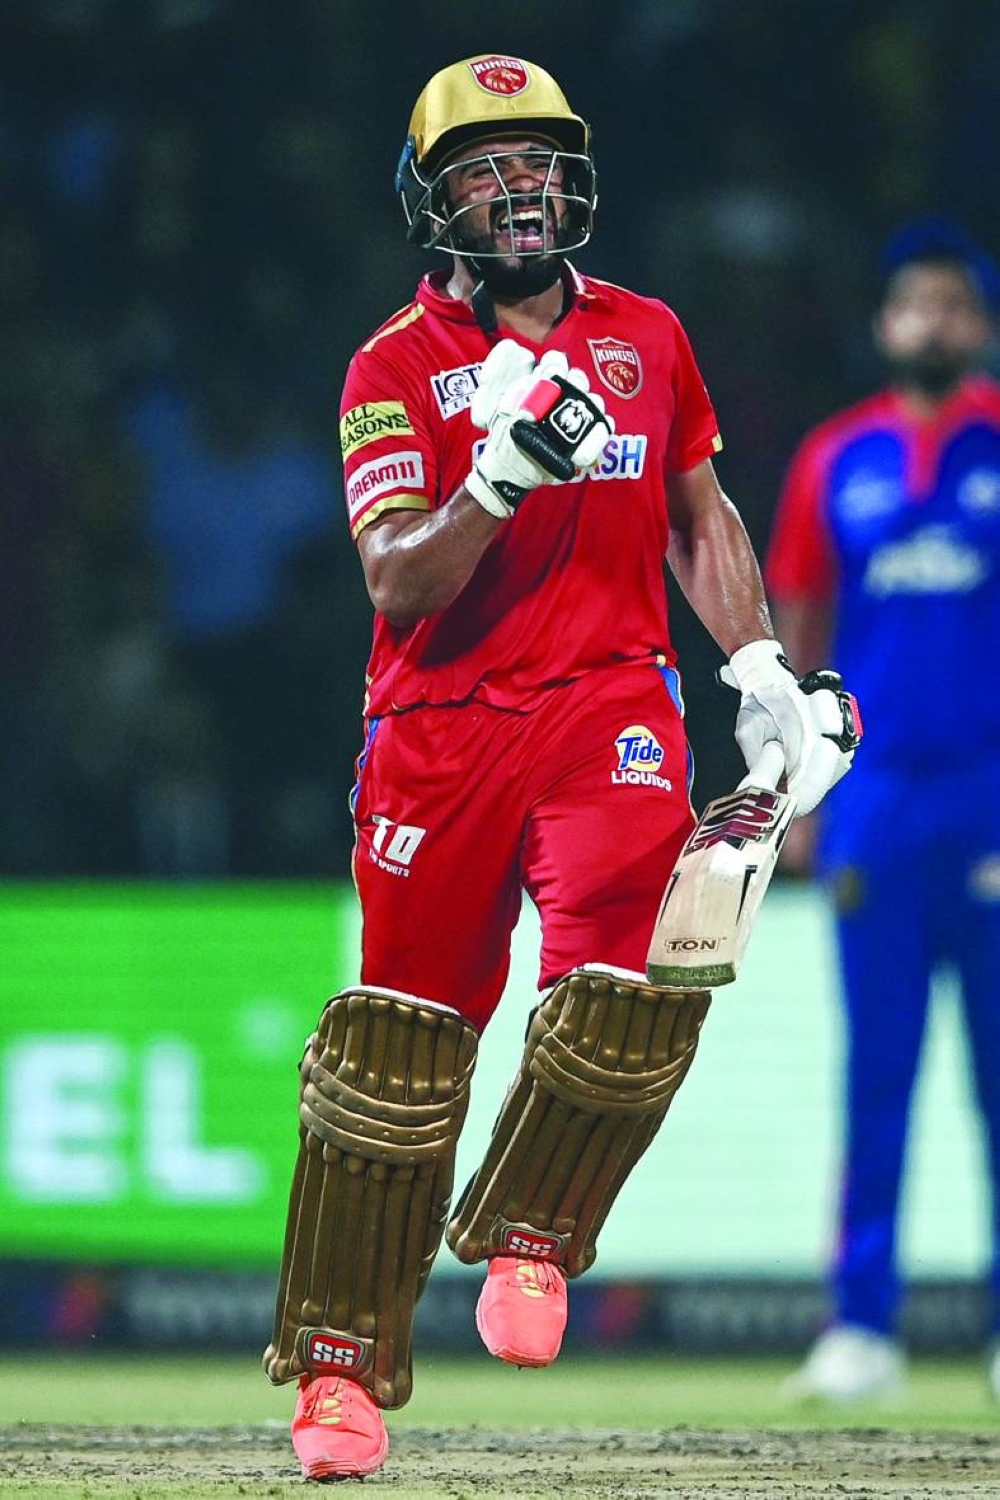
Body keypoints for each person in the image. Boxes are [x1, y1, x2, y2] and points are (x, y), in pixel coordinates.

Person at [263, 53, 860, 1481]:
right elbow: (397, 581)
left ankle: (532, 1233)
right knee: (398, 1055)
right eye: (486, 166)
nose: (520, 185)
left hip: (610, 709)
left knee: (634, 986)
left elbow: (698, 513)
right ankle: (339, 1374)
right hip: (438, 732)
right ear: (433, 199)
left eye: (538, 159)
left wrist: (758, 665)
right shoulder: (388, 368)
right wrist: (498, 477)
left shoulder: (646, 333)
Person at [767, 218, 1000, 1403]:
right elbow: (799, 622)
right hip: (875, 806)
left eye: (952, 303)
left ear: (981, 326)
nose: (931, 320)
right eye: (914, 302)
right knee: (877, 1073)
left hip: (990, 795)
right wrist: (796, 793)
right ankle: (860, 1326)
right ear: (882, 324)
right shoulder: (835, 457)